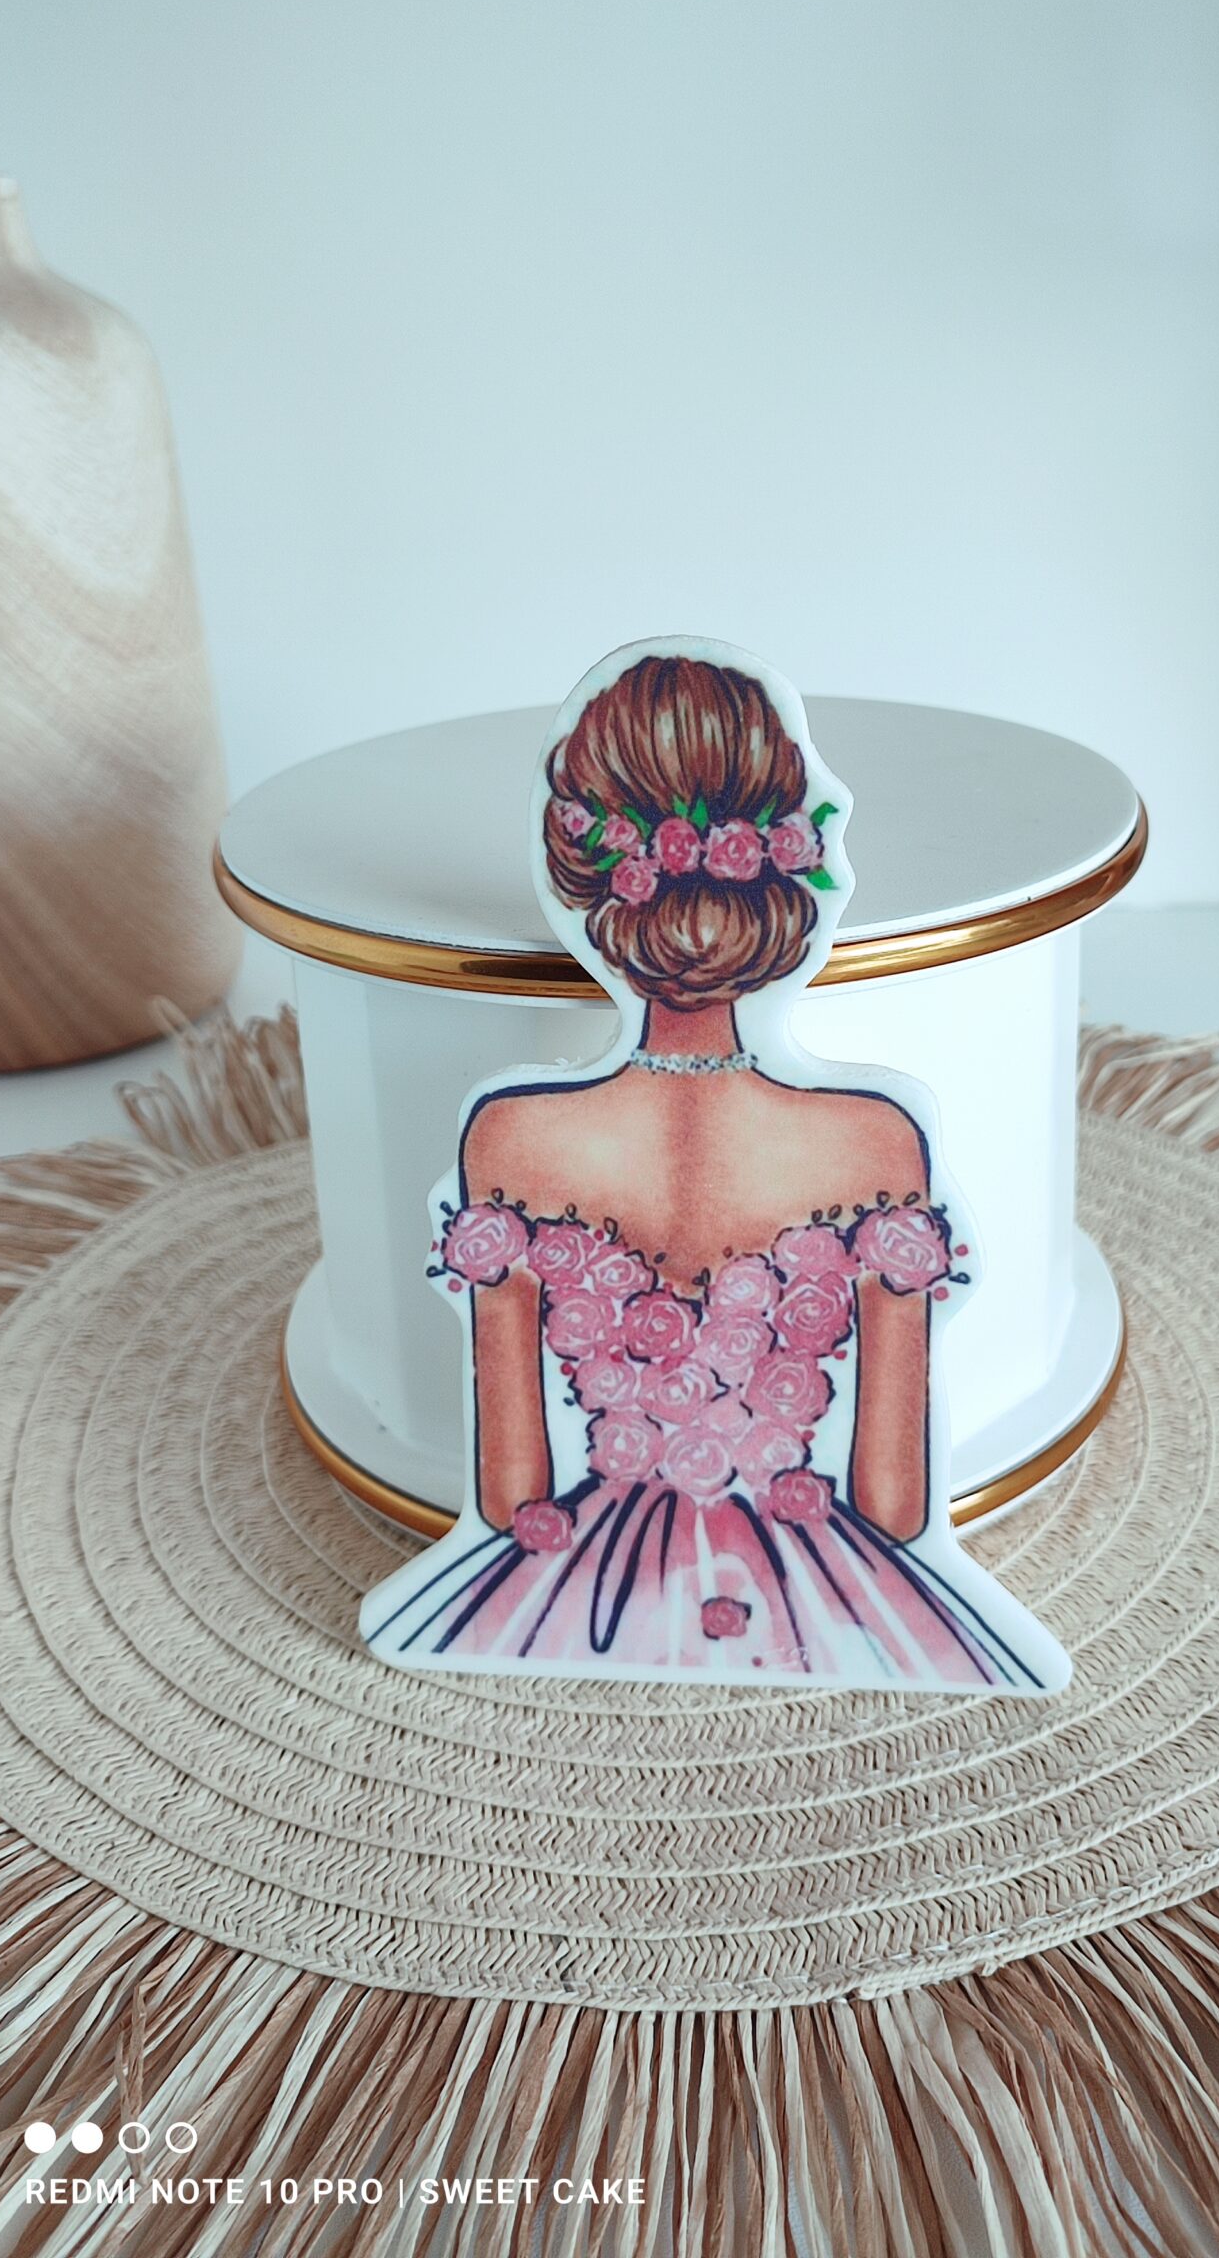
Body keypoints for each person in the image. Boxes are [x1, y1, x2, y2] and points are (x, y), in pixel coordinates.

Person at [361, 646, 1067, 1691]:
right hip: (823, 1592)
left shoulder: (508, 1139)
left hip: (582, 1600)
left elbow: (510, 1496)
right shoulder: (875, 1139)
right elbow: (893, 1503)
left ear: (586, 872)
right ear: (786, 861)